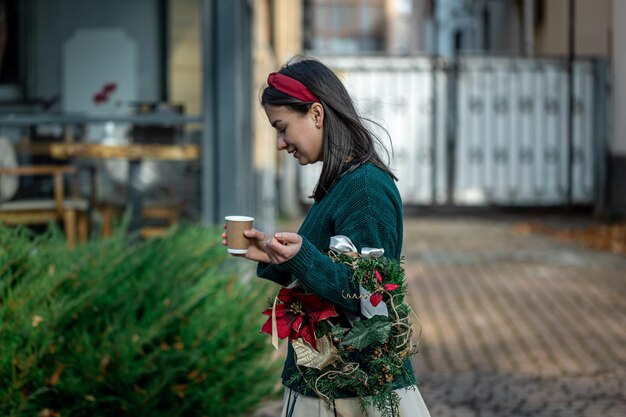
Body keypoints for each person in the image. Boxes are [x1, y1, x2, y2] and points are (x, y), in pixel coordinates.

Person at [222, 57, 430, 417]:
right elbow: (328, 274)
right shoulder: (342, 184)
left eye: (282, 127)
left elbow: (373, 300)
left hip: (353, 395)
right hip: (329, 386)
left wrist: (301, 257)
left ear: (317, 114)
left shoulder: (364, 188)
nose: (280, 143)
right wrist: (274, 258)